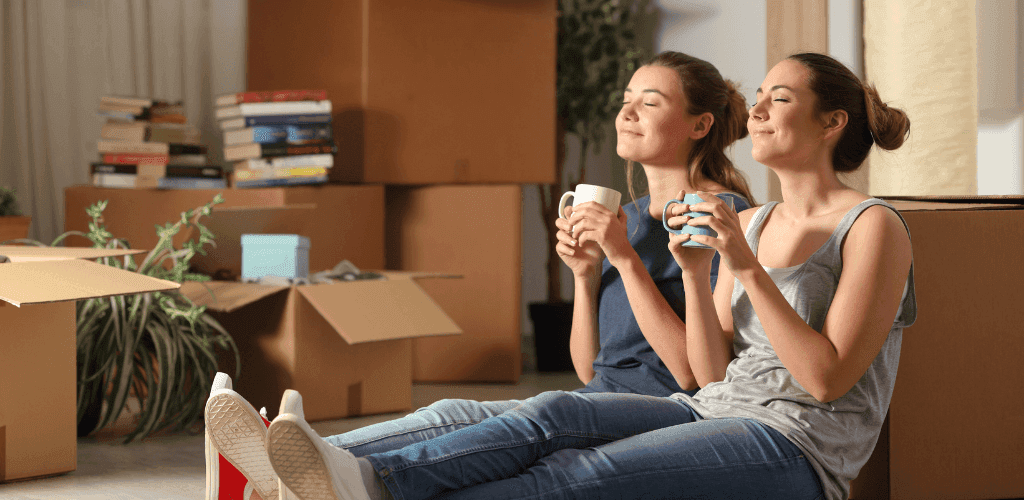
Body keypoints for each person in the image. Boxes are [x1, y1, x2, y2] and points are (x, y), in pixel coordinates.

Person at [257, 52, 916, 500]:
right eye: (762, 97)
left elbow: (827, 378)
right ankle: (366, 479)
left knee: (576, 475)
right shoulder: (754, 222)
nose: (762, 110)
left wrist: (742, 268)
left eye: (781, 98)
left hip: (797, 447)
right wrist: (691, 271)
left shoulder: (872, 227)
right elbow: (711, 377)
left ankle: (362, 484)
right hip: (707, 411)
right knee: (550, 414)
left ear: (832, 123)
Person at [204, 51, 753, 500]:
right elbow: (591, 370)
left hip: (668, 413)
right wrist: (585, 277)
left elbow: (694, 376)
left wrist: (625, 259)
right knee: (456, 410)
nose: (627, 113)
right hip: (603, 396)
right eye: (626, 100)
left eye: (649, 103)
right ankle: (285, 458)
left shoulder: (718, 215)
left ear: (699, 125)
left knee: (544, 411)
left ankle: (355, 479)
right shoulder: (626, 219)